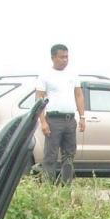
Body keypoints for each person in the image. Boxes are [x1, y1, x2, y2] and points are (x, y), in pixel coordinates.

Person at [37, 44, 86, 185]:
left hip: (69, 119)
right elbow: (39, 99)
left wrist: (82, 117)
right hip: (53, 120)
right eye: (61, 57)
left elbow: (79, 95)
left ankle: (66, 187)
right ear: (53, 57)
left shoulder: (73, 74)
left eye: (66, 57)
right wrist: (43, 122)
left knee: (69, 155)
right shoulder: (45, 75)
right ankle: (48, 187)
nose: (65, 60)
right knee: (50, 155)